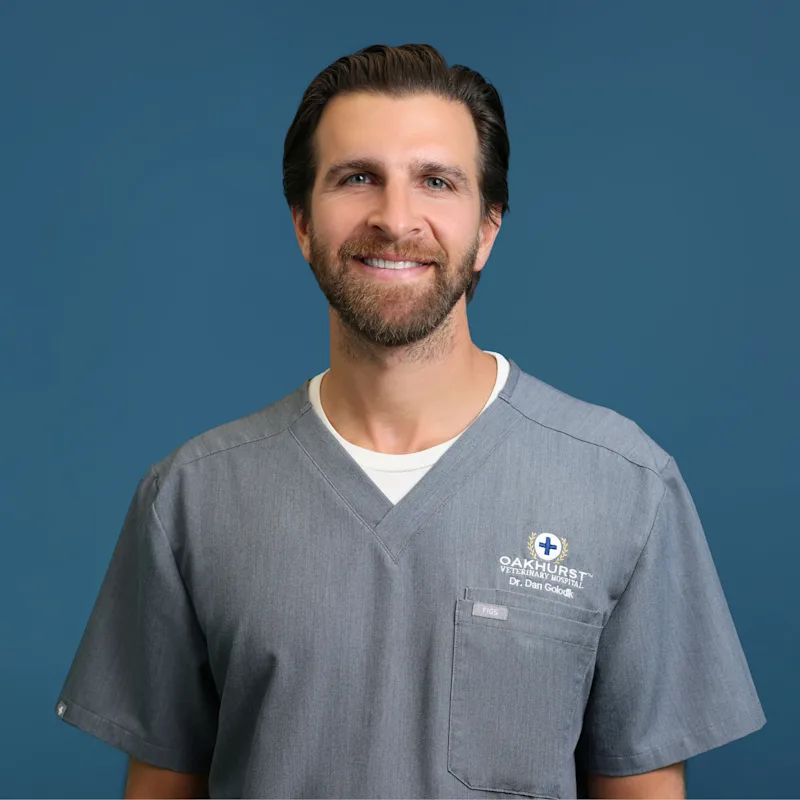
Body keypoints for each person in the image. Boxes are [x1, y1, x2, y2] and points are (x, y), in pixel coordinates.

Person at [56, 43, 766, 799]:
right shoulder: (190, 500)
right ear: (302, 223)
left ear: (488, 228)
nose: (396, 219)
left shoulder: (626, 488)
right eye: (357, 177)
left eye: (436, 181)